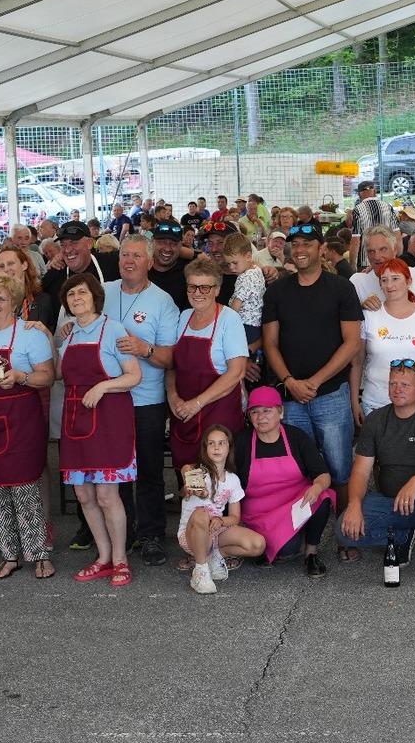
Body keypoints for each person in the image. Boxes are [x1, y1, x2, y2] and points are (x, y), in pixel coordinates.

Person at [262, 221, 363, 550]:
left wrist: (315, 382)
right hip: (290, 398)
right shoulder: (278, 290)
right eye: (295, 243)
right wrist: (290, 382)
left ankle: (346, 533)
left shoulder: (341, 288)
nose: (301, 248)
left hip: (331, 394)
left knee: (339, 467)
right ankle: (306, 533)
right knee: (298, 469)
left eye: (308, 242)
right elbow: (271, 343)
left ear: (322, 248)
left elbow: (351, 343)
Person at [339, 361, 415, 585]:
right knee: (343, 531)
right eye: (393, 384)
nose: (398, 389)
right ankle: (402, 535)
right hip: (392, 502)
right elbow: (360, 471)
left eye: (405, 385)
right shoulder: (376, 420)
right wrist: (354, 505)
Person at [0, 273, 56, 581]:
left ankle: (40, 553)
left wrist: (20, 376)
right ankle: (10, 554)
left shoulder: (29, 334)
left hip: (20, 420)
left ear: (16, 304)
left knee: (24, 487)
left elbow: (48, 375)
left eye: (1, 298)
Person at [99, 234, 181, 565]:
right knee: (116, 471)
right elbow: (84, 325)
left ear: (149, 262)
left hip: (146, 399)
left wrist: (144, 349)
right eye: (124, 256)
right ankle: (123, 533)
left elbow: (171, 358)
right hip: (110, 397)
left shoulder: (163, 302)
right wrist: (68, 328)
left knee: (148, 471)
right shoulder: (104, 293)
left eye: (136, 256)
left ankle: (151, 535)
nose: (129, 261)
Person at [56, 273, 142, 585]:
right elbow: (57, 374)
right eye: (71, 294)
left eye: (82, 293)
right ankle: (103, 556)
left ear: (95, 296)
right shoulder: (69, 336)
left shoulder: (113, 329)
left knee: (107, 495)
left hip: (108, 419)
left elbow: (133, 376)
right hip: (76, 419)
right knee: (84, 495)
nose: (76, 298)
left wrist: (103, 386)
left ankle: (120, 560)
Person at [214, 387, 335, 578]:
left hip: (296, 504)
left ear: (281, 412)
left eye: (267, 410)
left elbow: (323, 474)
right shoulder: (241, 441)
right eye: (254, 411)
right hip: (258, 514)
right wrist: (191, 469)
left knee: (323, 497)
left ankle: (311, 552)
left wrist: (316, 487)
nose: (260, 417)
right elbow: (216, 466)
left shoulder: (296, 437)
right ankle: (288, 543)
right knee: (287, 549)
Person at [166, 255, 249, 477]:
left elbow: (237, 372)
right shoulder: (183, 317)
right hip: (184, 416)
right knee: (189, 481)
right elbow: (172, 366)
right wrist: (173, 397)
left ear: (217, 290)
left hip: (218, 418)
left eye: (205, 287)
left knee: (217, 486)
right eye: (192, 286)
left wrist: (197, 403)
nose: (197, 293)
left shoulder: (229, 319)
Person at [355, 257, 415, 417]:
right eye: (384, 280)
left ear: (408, 281)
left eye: (395, 278)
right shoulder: (369, 316)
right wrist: (354, 402)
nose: (389, 285)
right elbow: (357, 362)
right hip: (377, 403)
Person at [177, 424, 244, 593]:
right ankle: (200, 571)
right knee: (201, 514)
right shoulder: (196, 472)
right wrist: (193, 488)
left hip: (215, 532)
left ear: (229, 447)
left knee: (257, 544)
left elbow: (235, 517)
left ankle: (215, 556)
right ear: (205, 448)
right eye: (211, 443)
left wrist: (220, 520)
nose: (216, 447)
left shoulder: (233, 479)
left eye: (221, 443)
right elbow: (189, 482)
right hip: (191, 534)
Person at [347, 179, 397, 269]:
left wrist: (351, 264)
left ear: (359, 194)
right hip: (387, 259)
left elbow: (355, 241)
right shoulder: (388, 207)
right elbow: (397, 235)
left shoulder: (358, 210)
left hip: (366, 261)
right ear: (375, 191)